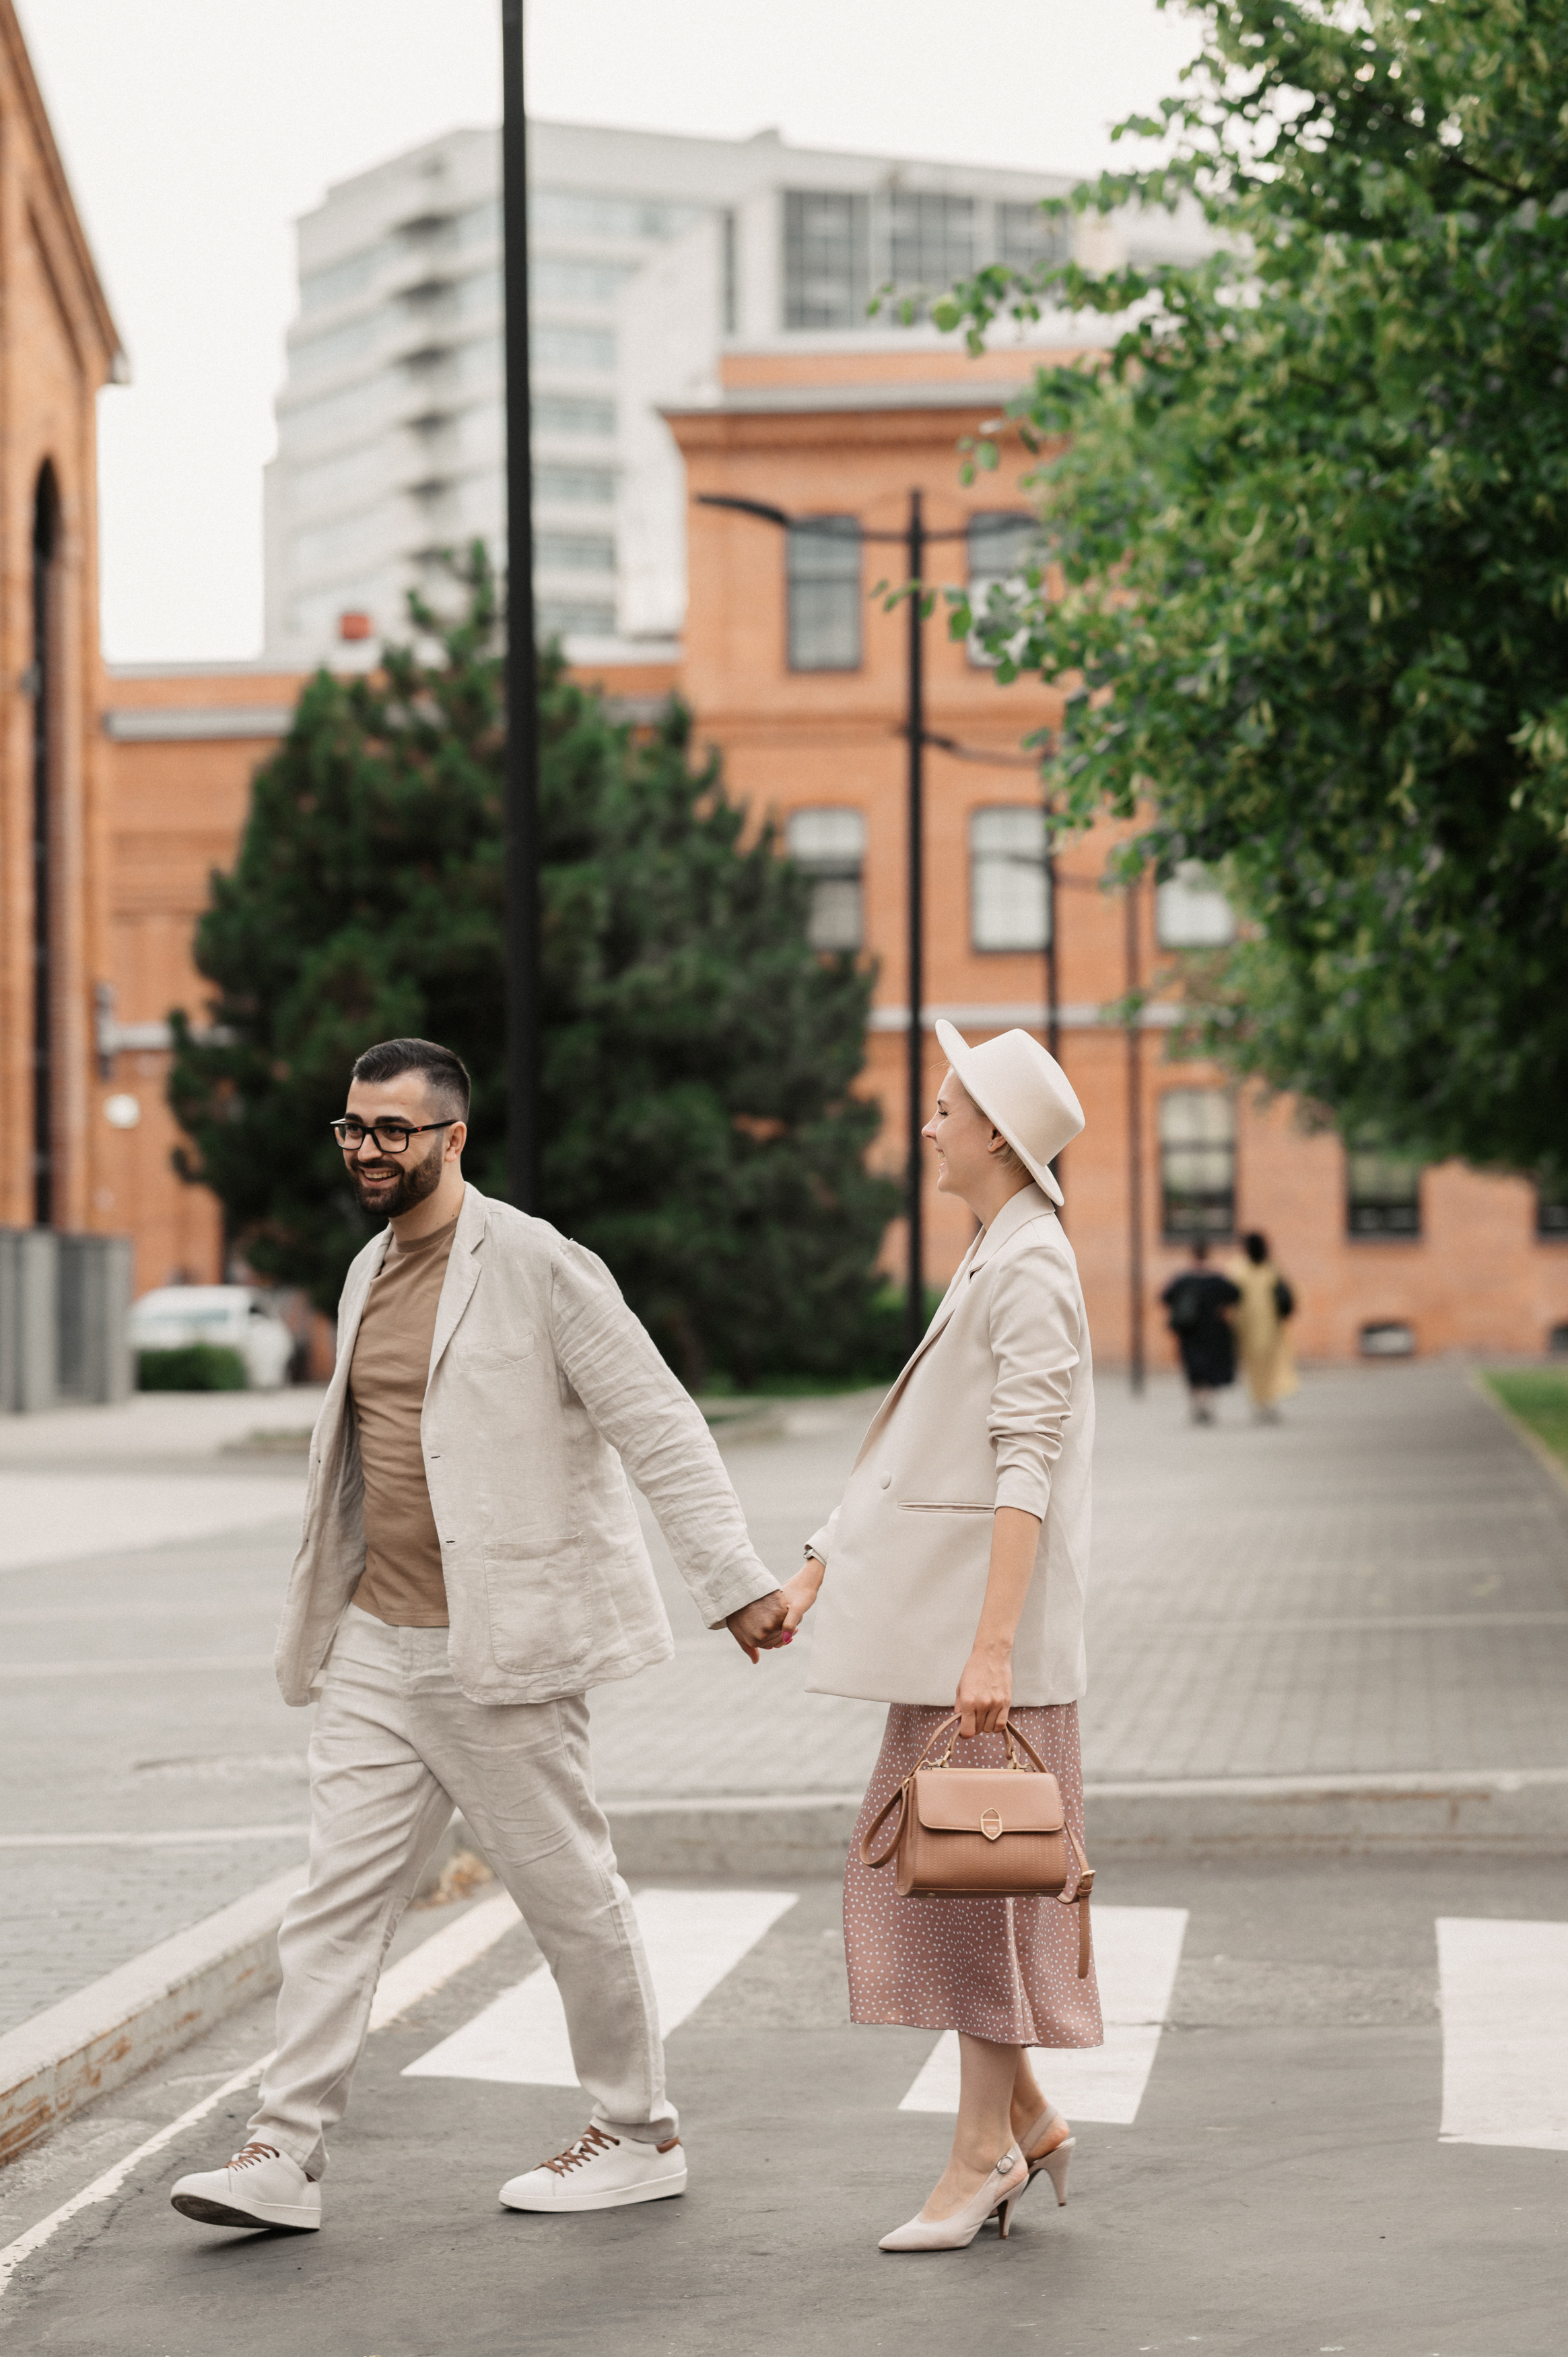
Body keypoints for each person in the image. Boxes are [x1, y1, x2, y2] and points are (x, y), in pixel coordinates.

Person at [170, 1037, 789, 2236]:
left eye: (392, 1130)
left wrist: (735, 1583)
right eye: (353, 1127)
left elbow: (658, 1420)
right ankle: (282, 2152)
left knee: (569, 1899)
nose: (366, 1149)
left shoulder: (538, 1264)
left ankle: (637, 2133)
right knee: (334, 1904)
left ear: (453, 1138)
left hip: (501, 1652)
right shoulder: (367, 1268)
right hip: (374, 1643)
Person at [776, 1022, 1102, 2254]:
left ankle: (981, 2157)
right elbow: (916, 1452)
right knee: (946, 1885)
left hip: (985, 1656)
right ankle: (1024, 2120)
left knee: (977, 1895)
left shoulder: (1030, 1267)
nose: (927, 1125)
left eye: (946, 1108)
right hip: (953, 1644)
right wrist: (817, 1565)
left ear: (997, 1138)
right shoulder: (995, 1251)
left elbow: (1025, 1467)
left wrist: (994, 1651)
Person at [1159, 1238, 1240, 1424]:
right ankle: (1206, 1404)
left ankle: (1197, 1405)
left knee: (1194, 1369)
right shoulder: (1217, 1279)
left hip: (1190, 1332)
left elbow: (1165, 1297)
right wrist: (1221, 1308)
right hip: (1214, 1332)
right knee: (1211, 1369)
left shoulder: (1183, 1279)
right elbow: (1236, 1295)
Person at [1231, 1230, 1298, 1422]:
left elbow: (1230, 1296)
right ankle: (1267, 1402)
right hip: (1269, 1324)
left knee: (1255, 1367)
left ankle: (1261, 1402)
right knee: (1270, 1365)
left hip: (1248, 1324)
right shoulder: (1271, 1268)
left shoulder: (1239, 1268)